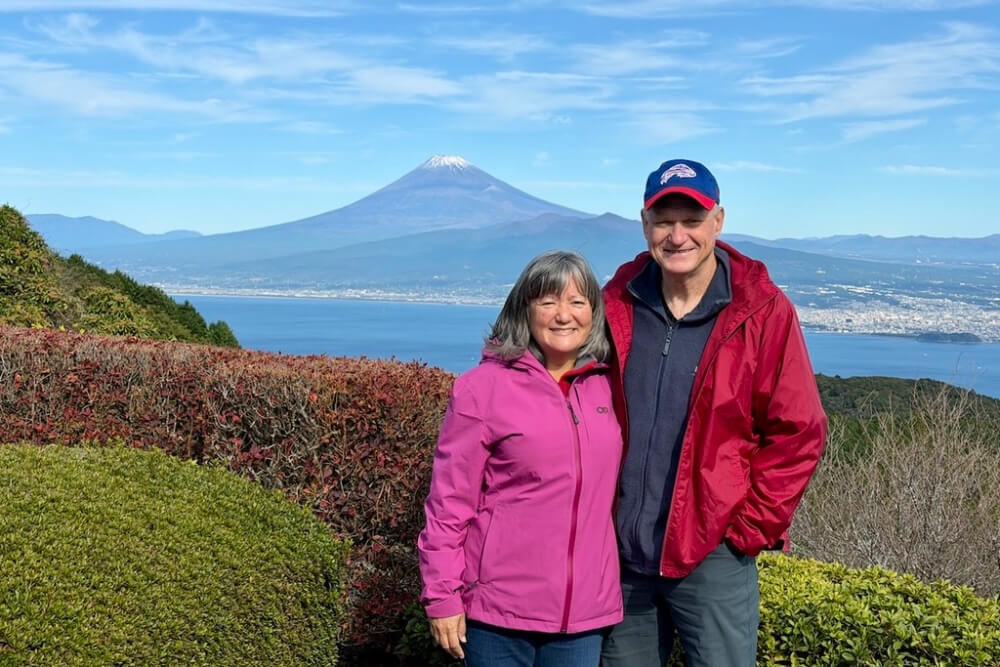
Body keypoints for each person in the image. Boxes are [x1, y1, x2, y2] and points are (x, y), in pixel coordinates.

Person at [600, 159, 828, 667]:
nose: (677, 235)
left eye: (692, 219)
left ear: (718, 221)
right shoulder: (616, 301)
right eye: (663, 221)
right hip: (620, 557)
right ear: (644, 225)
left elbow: (800, 432)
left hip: (711, 555)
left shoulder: (762, 311)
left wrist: (746, 531)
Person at [418, 250, 624, 666]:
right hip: (498, 614)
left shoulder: (611, 387)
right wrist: (442, 594)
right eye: (547, 301)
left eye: (577, 302)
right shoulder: (483, 388)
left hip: (582, 617)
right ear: (524, 311)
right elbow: (448, 503)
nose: (563, 314)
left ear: (594, 313)